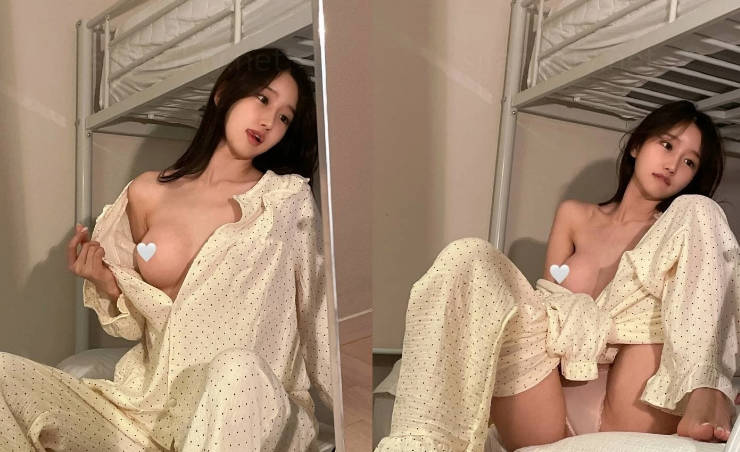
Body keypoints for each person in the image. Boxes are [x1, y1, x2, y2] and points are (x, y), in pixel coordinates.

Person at [0, 47, 332, 452]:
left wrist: (355, 418)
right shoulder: (147, 192)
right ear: (223, 93)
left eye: (284, 117)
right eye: (263, 98)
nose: (268, 121)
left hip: (244, 408)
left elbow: (317, 314)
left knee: (237, 368)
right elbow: (142, 321)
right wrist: (107, 283)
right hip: (149, 411)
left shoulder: (285, 200)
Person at [375, 100, 739, 452]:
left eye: (689, 161)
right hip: (551, 405)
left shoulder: (681, 230)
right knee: (468, 256)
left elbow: (708, 300)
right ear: (637, 145)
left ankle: (709, 387)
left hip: (633, 402)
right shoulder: (574, 216)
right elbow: (546, 303)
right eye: (667, 145)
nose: (673, 164)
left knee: (700, 209)